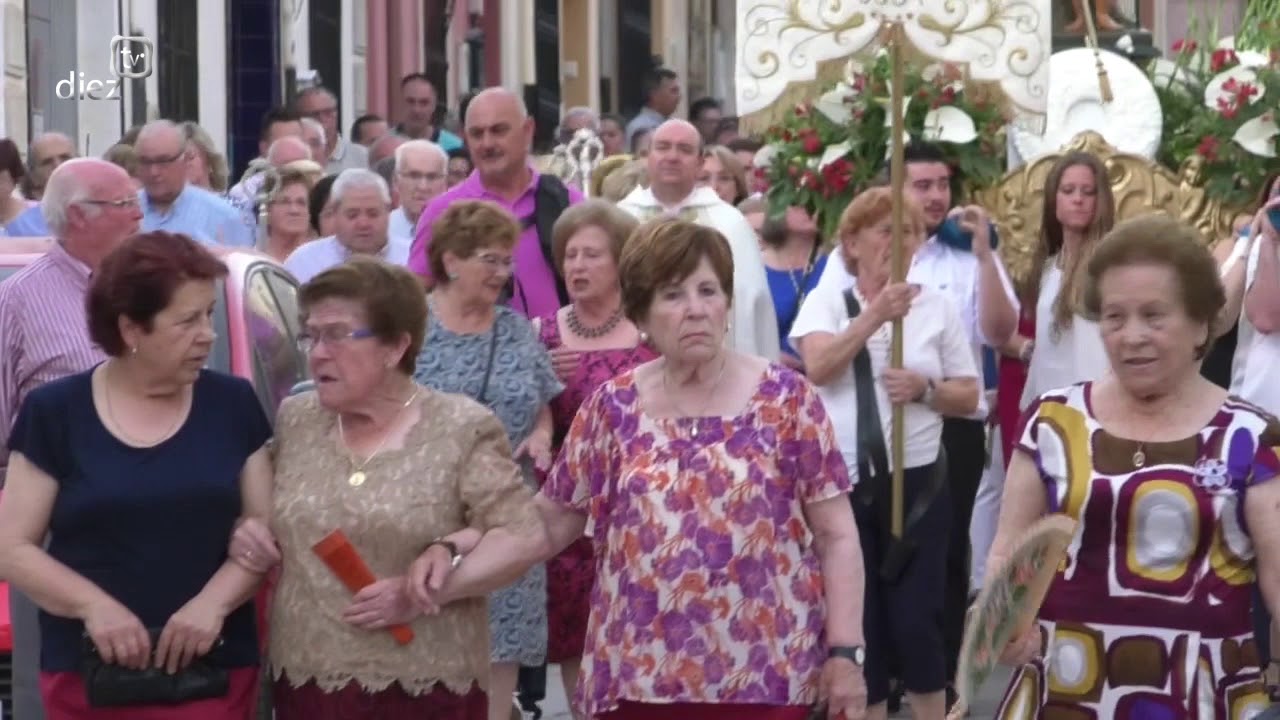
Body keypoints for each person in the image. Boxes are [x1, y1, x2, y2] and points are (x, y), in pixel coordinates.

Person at [410, 218, 870, 719]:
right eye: (673, 295)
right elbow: (542, 525)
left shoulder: (787, 399)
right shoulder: (614, 407)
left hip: (767, 674)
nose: (695, 309)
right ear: (642, 313)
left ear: (728, 303)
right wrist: (444, 580)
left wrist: (846, 653)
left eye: (708, 290)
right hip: (638, 674)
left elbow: (836, 536)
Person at [225, 258, 547, 719]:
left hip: (426, 686)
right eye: (310, 336)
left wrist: (429, 589)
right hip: (308, 682)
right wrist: (246, 526)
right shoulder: (297, 421)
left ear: (396, 346)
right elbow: (263, 510)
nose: (317, 353)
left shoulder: (460, 426)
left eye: (336, 334)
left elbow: (521, 535)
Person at [988, 214, 1280, 716]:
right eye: (1114, 317)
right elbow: (1006, 559)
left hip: (1202, 694)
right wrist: (999, 625)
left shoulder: (1252, 437)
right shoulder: (1053, 422)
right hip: (1064, 690)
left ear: (1201, 324)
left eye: (1154, 316)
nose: (1132, 336)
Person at [0, 231, 273, 719]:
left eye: (209, 315)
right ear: (130, 329)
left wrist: (212, 605)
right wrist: (92, 607)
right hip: (91, 674)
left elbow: (261, 534)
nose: (207, 334)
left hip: (211, 670)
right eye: (188, 320)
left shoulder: (233, 404)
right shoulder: (55, 413)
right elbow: (11, 546)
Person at [792, 187, 978, 720]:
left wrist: (925, 389)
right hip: (846, 485)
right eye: (885, 231)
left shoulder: (937, 307)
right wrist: (875, 316)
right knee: (862, 623)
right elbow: (819, 367)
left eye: (909, 232)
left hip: (918, 481)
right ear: (851, 243)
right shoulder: (829, 300)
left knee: (919, 621)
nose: (898, 243)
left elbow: (967, 395)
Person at [0, 158, 144, 720]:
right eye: (123, 204)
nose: (139, 213)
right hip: (59, 533)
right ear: (79, 216)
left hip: (163, 523)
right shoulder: (19, 302)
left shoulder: (155, 292)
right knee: (56, 693)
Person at [413, 200, 563, 720]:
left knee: (498, 674)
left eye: (507, 261)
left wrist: (542, 436)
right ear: (451, 261)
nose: (503, 273)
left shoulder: (517, 330)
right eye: (489, 260)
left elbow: (543, 409)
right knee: (425, 670)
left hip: (505, 522)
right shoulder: (409, 331)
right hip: (424, 521)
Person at [532, 200, 656, 715]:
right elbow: (523, 419)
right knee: (573, 641)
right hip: (566, 511)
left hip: (635, 508)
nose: (577, 267)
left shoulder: (652, 334)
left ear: (622, 261)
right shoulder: (541, 333)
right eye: (570, 255)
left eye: (591, 255)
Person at [409, 87, 583, 319]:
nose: (487, 143)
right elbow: (414, 297)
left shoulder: (567, 202)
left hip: (559, 352)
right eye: (477, 134)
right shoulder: (444, 212)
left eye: (499, 130)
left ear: (528, 130)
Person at [617, 120, 779, 361]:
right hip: (632, 359)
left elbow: (748, 302)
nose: (672, 156)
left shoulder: (729, 222)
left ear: (700, 163)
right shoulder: (621, 217)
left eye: (684, 149)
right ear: (646, 157)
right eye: (663, 147)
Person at [1013, 152, 1117, 409]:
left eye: (1088, 192)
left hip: (1094, 405)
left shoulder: (1109, 267)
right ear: (1054, 199)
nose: (1078, 199)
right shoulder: (1047, 268)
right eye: (1068, 190)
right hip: (1047, 403)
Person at [135, 121, 253, 247]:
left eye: (163, 161)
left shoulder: (223, 216)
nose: (154, 172)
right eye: (145, 162)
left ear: (184, 160)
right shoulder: (124, 211)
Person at [284, 168, 409, 282]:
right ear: (335, 213)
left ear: (388, 211)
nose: (363, 224)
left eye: (373, 214)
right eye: (352, 215)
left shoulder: (411, 257)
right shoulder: (305, 262)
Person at [761, 206, 827, 371]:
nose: (811, 209)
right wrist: (769, 355)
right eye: (800, 203)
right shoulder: (754, 267)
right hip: (771, 378)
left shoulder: (839, 263)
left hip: (827, 381)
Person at [295, 86, 369, 174]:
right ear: (297, 118)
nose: (322, 119)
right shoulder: (291, 157)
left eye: (328, 112)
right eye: (313, 114)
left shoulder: (362, 157)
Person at [255, 166, 318, 262]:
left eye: (301, 202)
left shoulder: (322, 259)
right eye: (284, 202)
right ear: (268, 209)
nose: (294, 210)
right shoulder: (253, 260)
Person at [389, 140, 448, 240]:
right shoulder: (381, 231)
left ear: (445, 183)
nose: (422, 187)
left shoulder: (457, 231)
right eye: (414, 176)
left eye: (432, 177)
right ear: (395, 180)